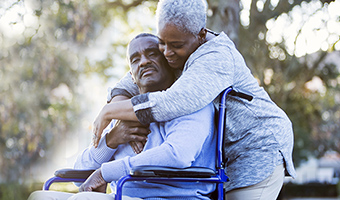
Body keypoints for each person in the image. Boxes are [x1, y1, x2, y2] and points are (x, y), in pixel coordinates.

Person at [92, 0, 297, 199]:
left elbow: (171, 103)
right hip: (224, 155)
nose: (167, 53)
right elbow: (130, 80)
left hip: (257, 145)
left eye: (175, 45)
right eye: (161, 43)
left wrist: (109, 112)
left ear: (201, 34)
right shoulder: (178, 46)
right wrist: (120, 114)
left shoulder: (216, 57)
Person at [28, 33, 217, 200]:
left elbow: (178, 154)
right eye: (135, 59)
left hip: (171, 197)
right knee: (41, 196)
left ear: (168, 61)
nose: (143, 62)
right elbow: (80, 174)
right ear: (132, 77)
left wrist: (105, 172)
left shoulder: (191, 100)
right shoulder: (124, 113)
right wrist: (111, 140)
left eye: (152, 54)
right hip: (122, 196)